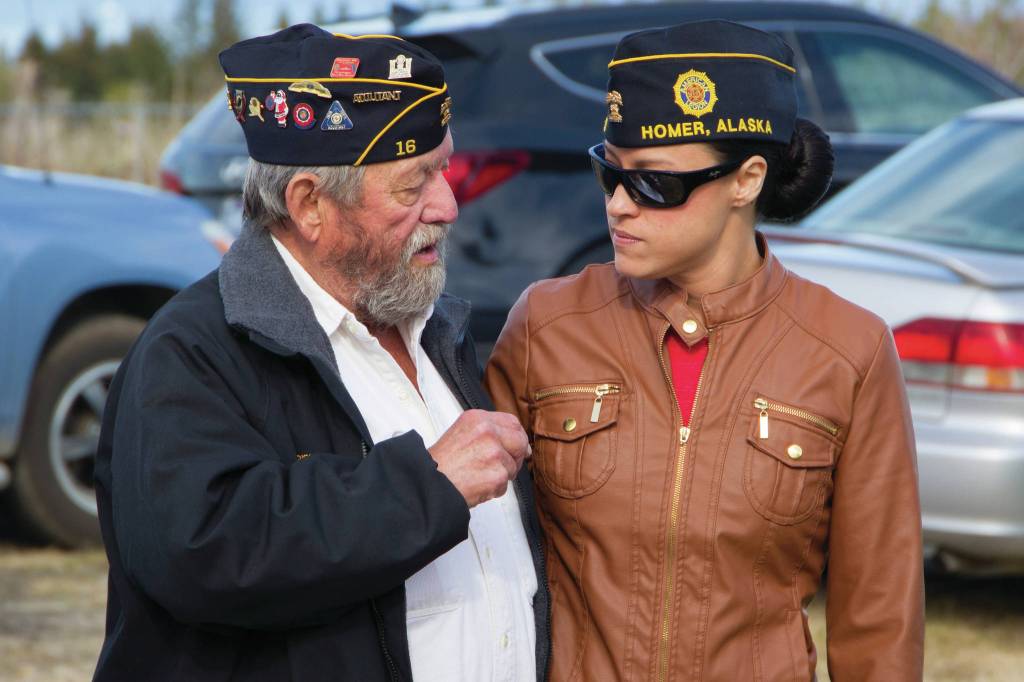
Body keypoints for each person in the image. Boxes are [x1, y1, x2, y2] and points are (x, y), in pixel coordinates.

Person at [93, 24, 549, 682]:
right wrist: (430, 486)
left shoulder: (438, 331)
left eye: (443, 169)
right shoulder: (193, 351)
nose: (447, 205)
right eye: (411, 185)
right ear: (309, 204)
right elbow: (204, 554)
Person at [485, 20, 923, 681]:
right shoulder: (546, 325)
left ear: (747, 180)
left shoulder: (848, 351)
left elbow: (879, 621)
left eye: (655, 183)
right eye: (610, 172)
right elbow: (482, 571)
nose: (620, 207)